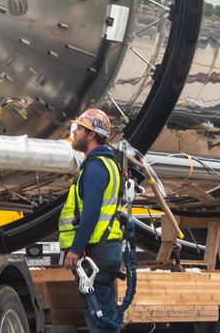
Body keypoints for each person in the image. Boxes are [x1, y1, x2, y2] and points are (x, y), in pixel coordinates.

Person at [59, 108, 124, 333]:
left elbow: (91, 213)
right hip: (105, 248)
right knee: (103, 314)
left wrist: (75, 250)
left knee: (99, 318)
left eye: (79, 128)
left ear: (90, 134)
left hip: (96, 251)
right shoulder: (107, 164)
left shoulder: (96, 168)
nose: (74, 131)